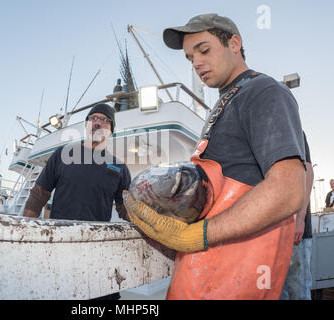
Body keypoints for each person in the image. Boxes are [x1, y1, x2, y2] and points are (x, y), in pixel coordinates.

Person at [123, 13, 306, 299]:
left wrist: (197, 235)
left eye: (204, 50)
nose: (196, 63)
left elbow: (287, 188)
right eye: (189, 57)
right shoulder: (227, 101)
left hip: (236, 280)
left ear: (234, 43)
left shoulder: (263, 92)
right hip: (206, 278)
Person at [23, 103, 131, 300]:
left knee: (104, 297)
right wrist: (25, 232)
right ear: (87, 125)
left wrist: (151, 223)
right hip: (62, 245)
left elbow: (126, 208)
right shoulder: (63, 155)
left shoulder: (119, 168)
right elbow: (39, 194)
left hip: (98, 250)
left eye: (103, 120)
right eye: (93, 118)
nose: (97, 123)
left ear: (111, 129)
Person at [280, 132, 314, 300]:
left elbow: (307, 172)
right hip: (271, 235)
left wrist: (300, 218)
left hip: (295, 232)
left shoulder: (292, 129)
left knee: (298, 293)